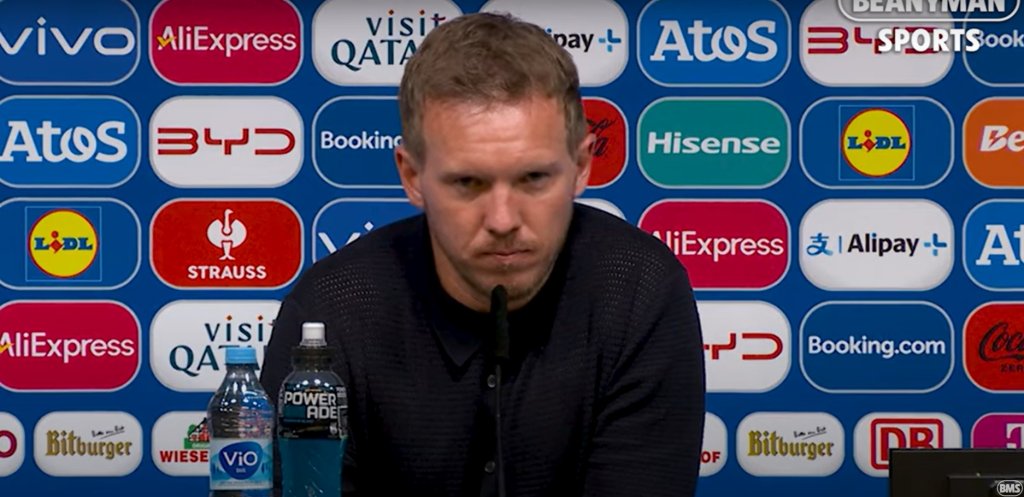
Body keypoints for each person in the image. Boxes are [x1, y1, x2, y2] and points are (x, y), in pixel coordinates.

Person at [260, 11, 706, 497]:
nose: (502, 220)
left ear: (581, 166)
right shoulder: (331, 311)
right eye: (467, 182)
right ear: (412, 176)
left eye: (534, 178)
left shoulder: (639, 289)